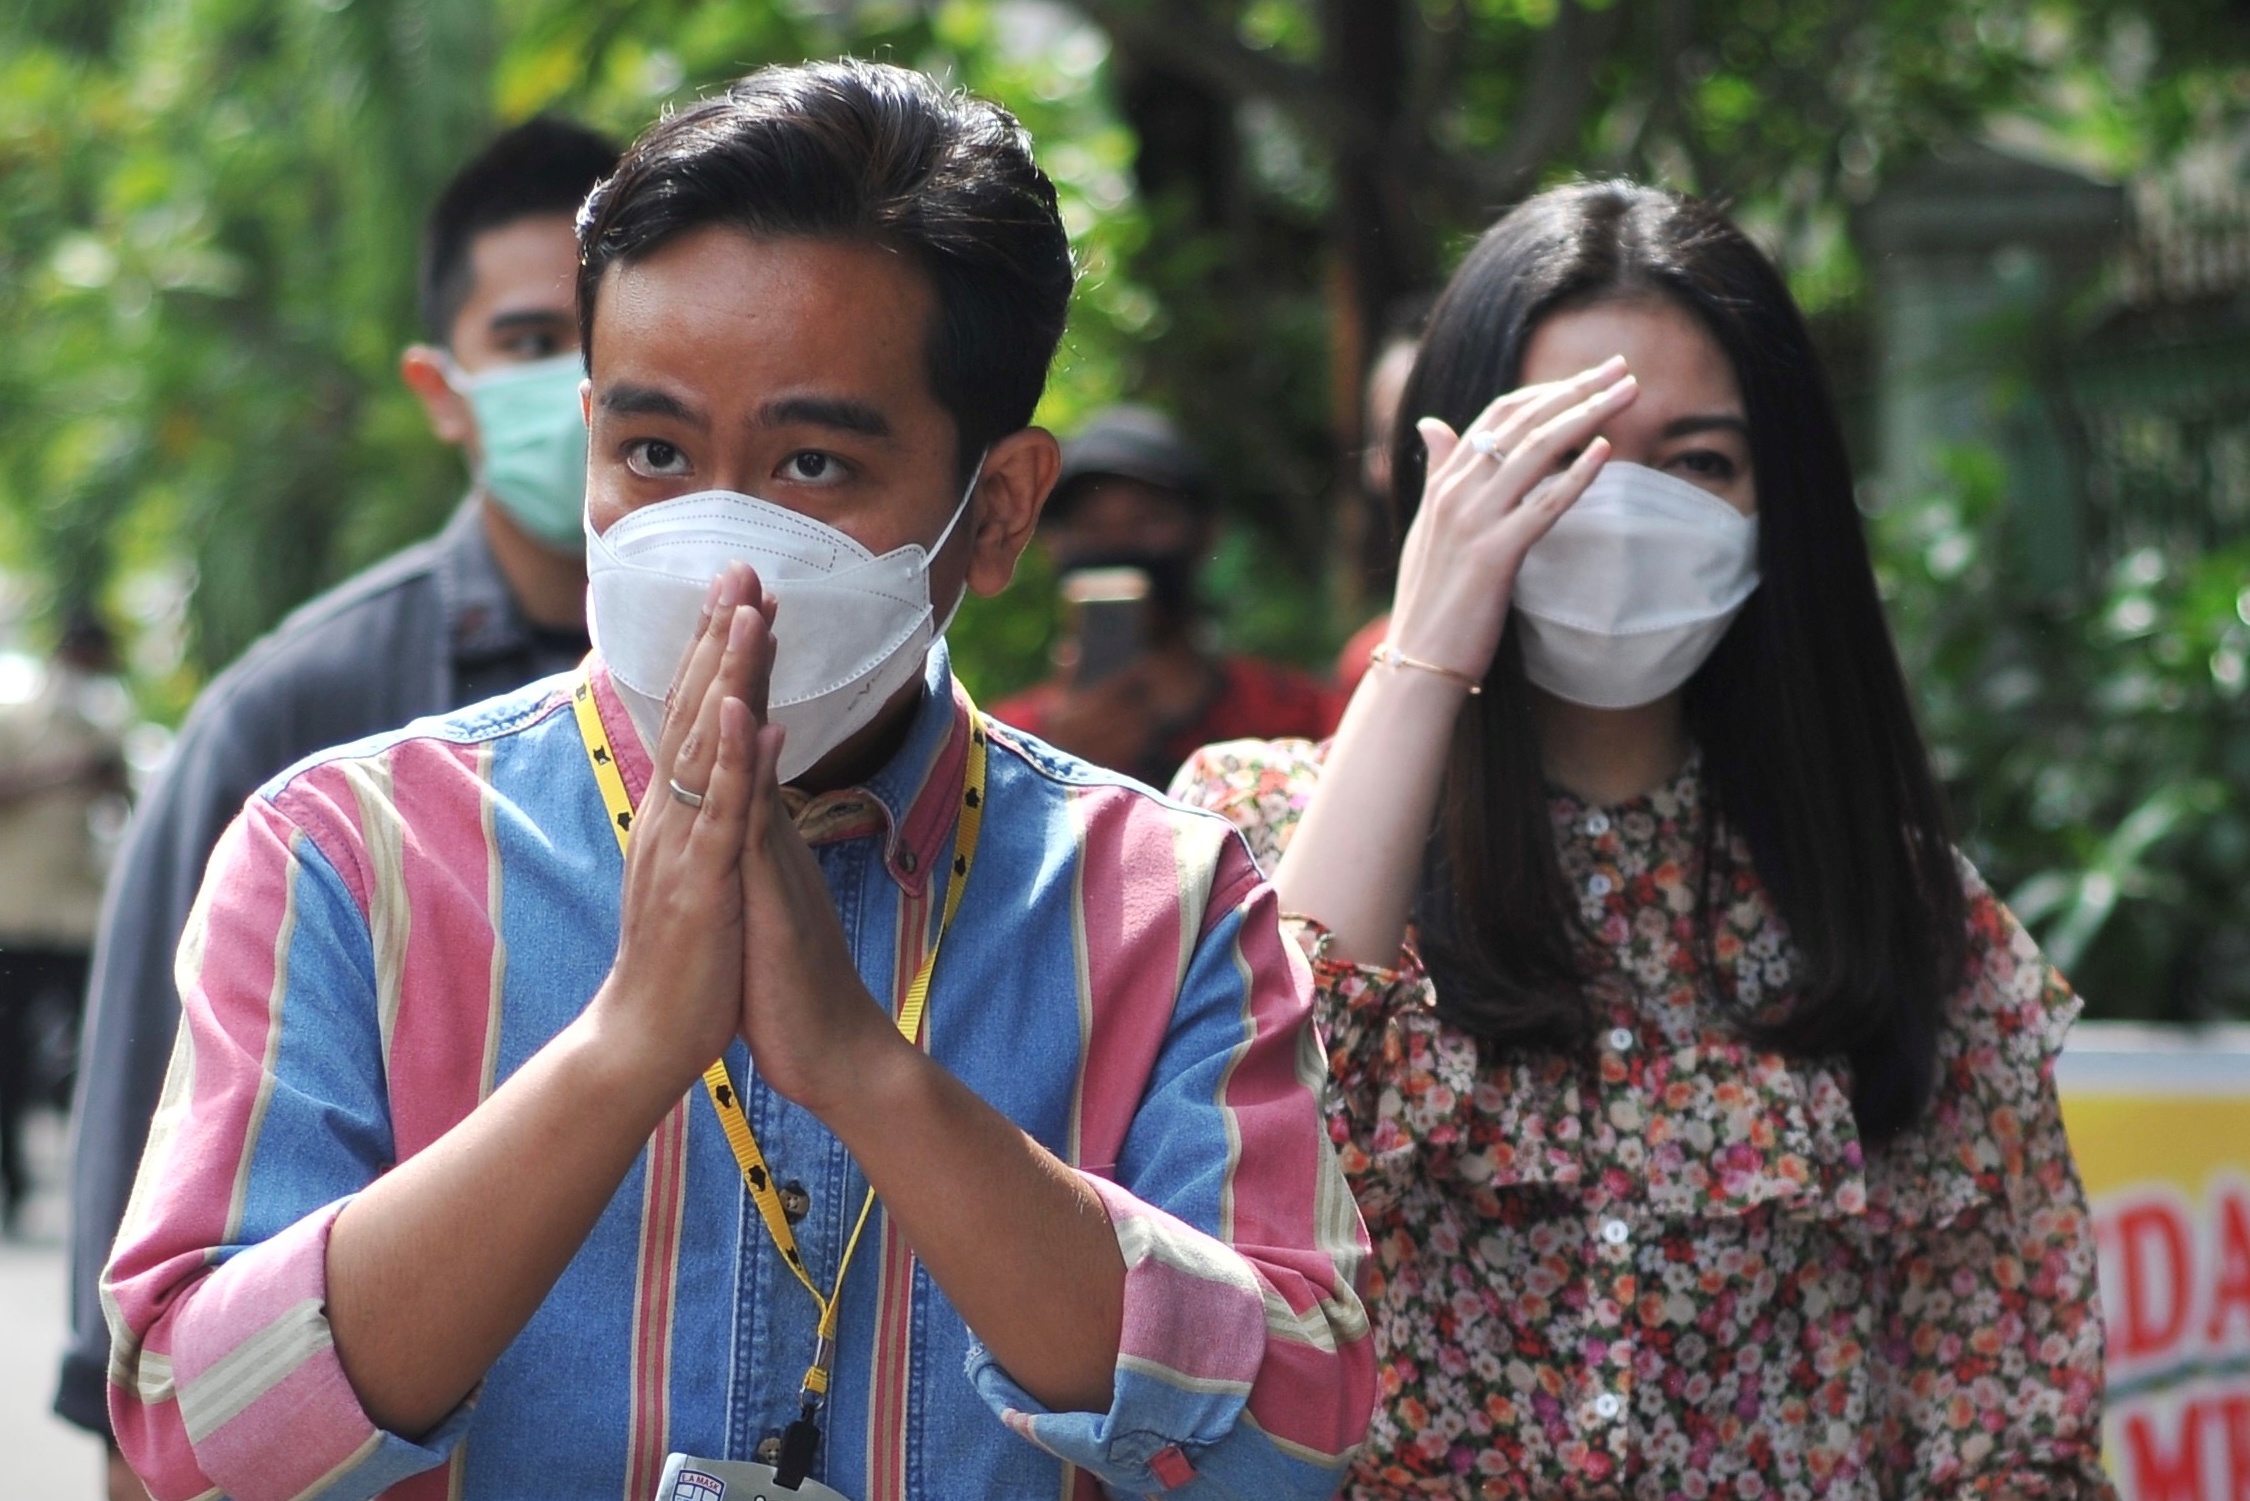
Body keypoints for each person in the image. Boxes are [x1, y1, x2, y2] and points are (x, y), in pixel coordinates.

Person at [104, 61, 1372, 1501]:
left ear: (1002, 507)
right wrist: (619, 1053)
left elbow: (1292, 1441)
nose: (717, 547)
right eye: (653, 452)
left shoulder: (1162, 904)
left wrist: (866, 1073)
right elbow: (193, 1436)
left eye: (813, 465)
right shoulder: (351, 855)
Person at [1173, 181, 2112, 1498]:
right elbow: (1241, 1180)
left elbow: (2012, 1431)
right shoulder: (1253, 825)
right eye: (1563, 453)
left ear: (1779, 500)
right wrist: (1428, 643)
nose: (1622, 513)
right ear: (1448, 480)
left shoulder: (1893, 906)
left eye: (1700, 462)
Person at [54, 116, 620, 1493]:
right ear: (443, 387)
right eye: (531, 341)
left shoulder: (802, 696)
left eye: (606, 341)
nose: (582, 390)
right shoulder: (298, 719)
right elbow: (153, 1223)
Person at [991, 405, 1342, 785]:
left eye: (1147, 521)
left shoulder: (1298, 723)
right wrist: (1051, 772)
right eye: (1091, 526)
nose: (1118, 544)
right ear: (1048, 545)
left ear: (1206, 533)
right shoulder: (1002, 754)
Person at [0, 611, 129, 1234]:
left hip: (79, 917)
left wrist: (112, 781)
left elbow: (122, 811)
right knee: (9, 1056)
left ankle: (101, 1183)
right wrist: (65, 773)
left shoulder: (104, 726)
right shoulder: (16, 721)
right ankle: (12, 1181)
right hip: (16, 914)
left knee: (100, 1048)